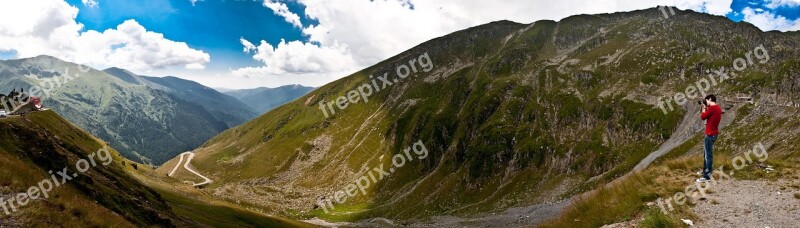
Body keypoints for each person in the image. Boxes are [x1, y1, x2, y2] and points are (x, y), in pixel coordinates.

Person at [697, 94, 721, 183]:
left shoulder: (712, 108)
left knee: (708, 156)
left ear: (710, 99)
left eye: (706, 100)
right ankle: (705, 171)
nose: (705, 102)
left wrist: (703, 108)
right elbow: (709, 118)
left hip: (710, 134)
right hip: (713, 133)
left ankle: (707, 177)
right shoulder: (717, 108)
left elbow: (703, 117)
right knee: (706, 154)